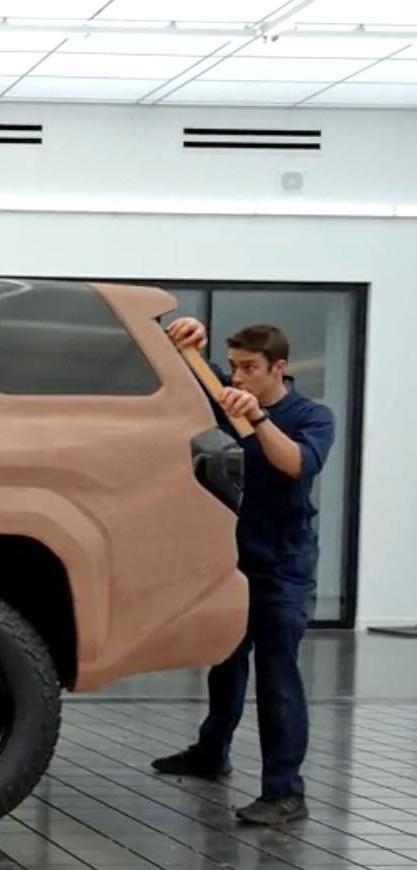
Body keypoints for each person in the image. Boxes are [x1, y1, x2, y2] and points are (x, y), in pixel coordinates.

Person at [152, 318, 335, 825]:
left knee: (277, 676)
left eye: (249, 368)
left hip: (284, 566)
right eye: (233, 366)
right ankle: (213, 752)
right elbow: (184, 363)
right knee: (225, 660)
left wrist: (257, 419)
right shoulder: (227, 393)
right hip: (233, 558)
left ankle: (285, 791)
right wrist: (187, 333)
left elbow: (297, 464)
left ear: (279, 368)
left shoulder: (312, 415)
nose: (237, 377)